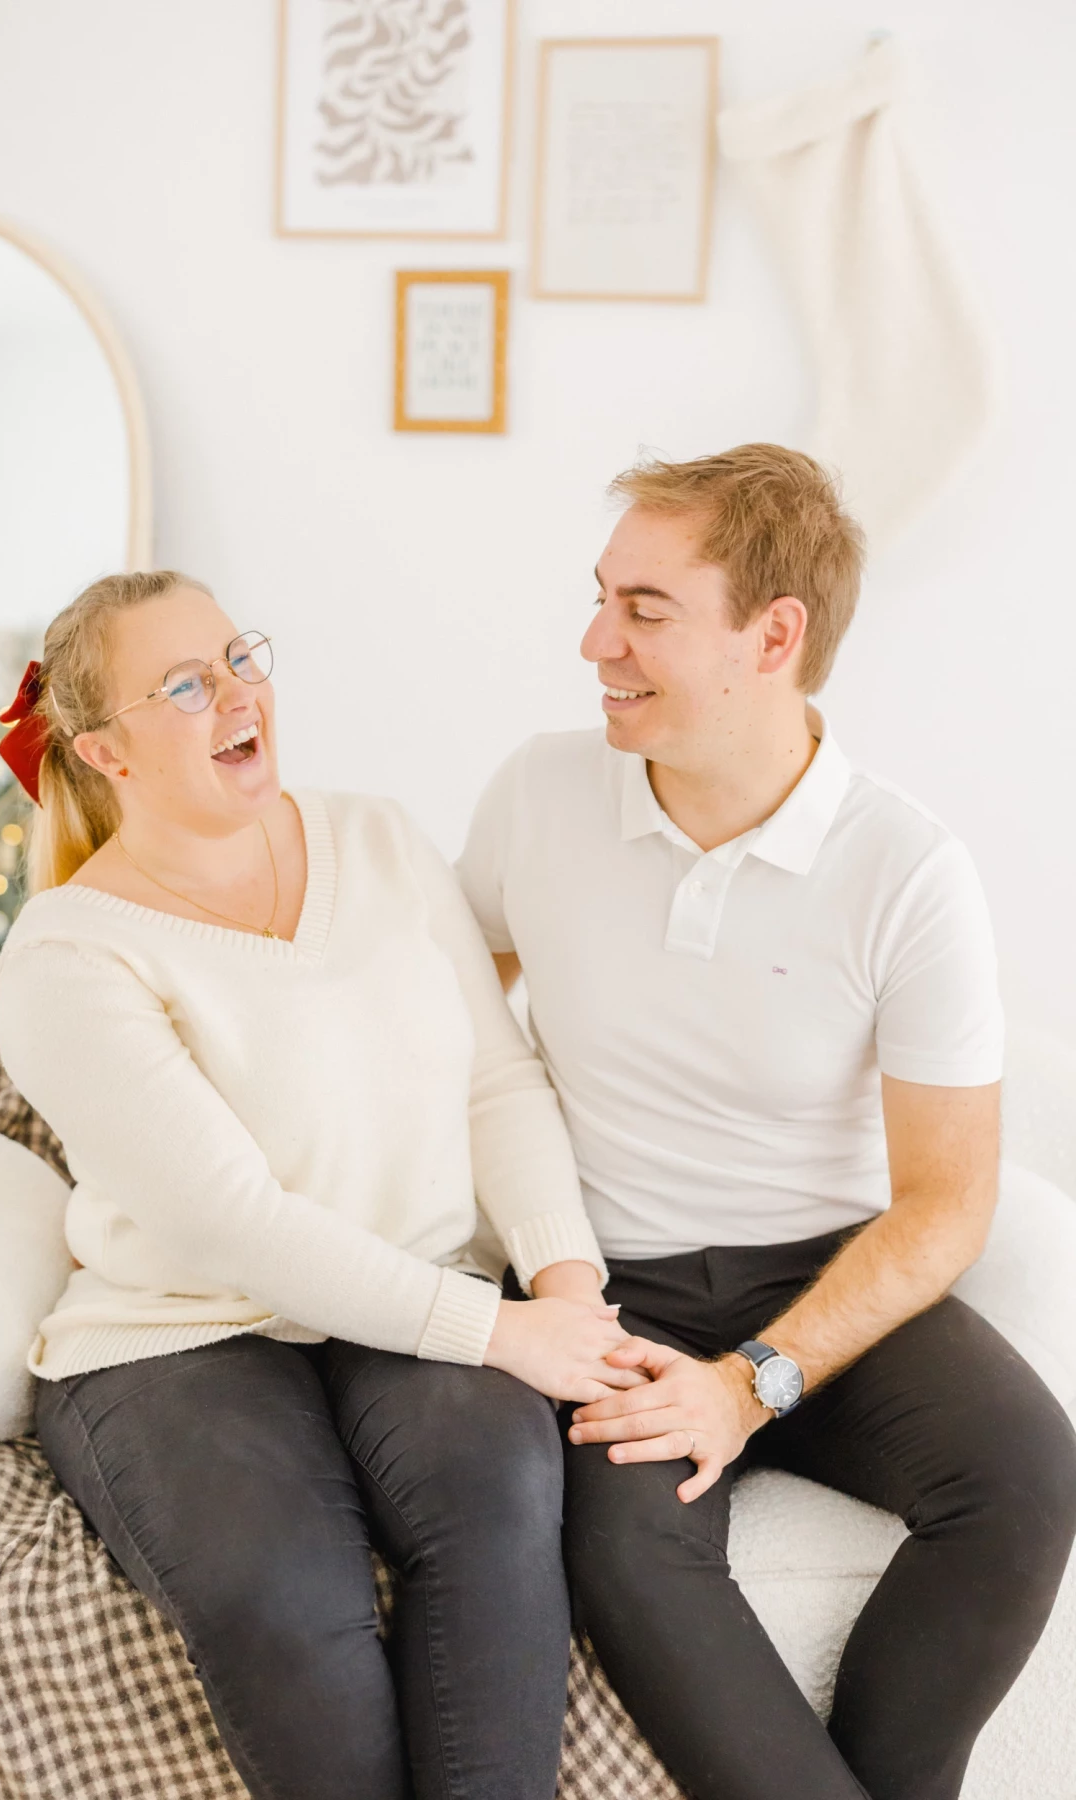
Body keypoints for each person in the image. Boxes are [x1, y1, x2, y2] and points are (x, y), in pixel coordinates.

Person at [456, 444, 1076, 1800]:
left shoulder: (907, 871)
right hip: (610, 1290)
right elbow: (442, 1018)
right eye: (601, 596)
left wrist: (752, 1386)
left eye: (645, 610)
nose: (594, 640)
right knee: (623, 1544)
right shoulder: (541, 796)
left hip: (827, 1276)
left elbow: (947, 1203)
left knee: (1028, 1484)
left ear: (774, 634)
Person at [0, 569, 638, 1800]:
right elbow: (234, 1225)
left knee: (497, 1511)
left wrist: (569, 1293)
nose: (239, 694)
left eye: (242, 658)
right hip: (183, 1335)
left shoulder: (379, 838)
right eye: (186, 684)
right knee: (281, 1592)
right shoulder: (69, 950)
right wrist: (499, 1331)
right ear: (103, 751)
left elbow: (497, 1082)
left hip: (426, 1286)